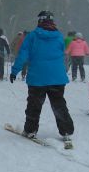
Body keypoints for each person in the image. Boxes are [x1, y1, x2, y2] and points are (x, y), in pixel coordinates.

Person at [10, 10, 74, 142]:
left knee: (34, 104)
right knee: (59, 103)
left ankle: (30, 130)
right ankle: (66, 130)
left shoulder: (32, 36)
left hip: (37, 77)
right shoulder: (59, 36)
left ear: (39, 21)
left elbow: (23, 54)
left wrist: (14, 71)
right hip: (57, 77)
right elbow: (61, 53)